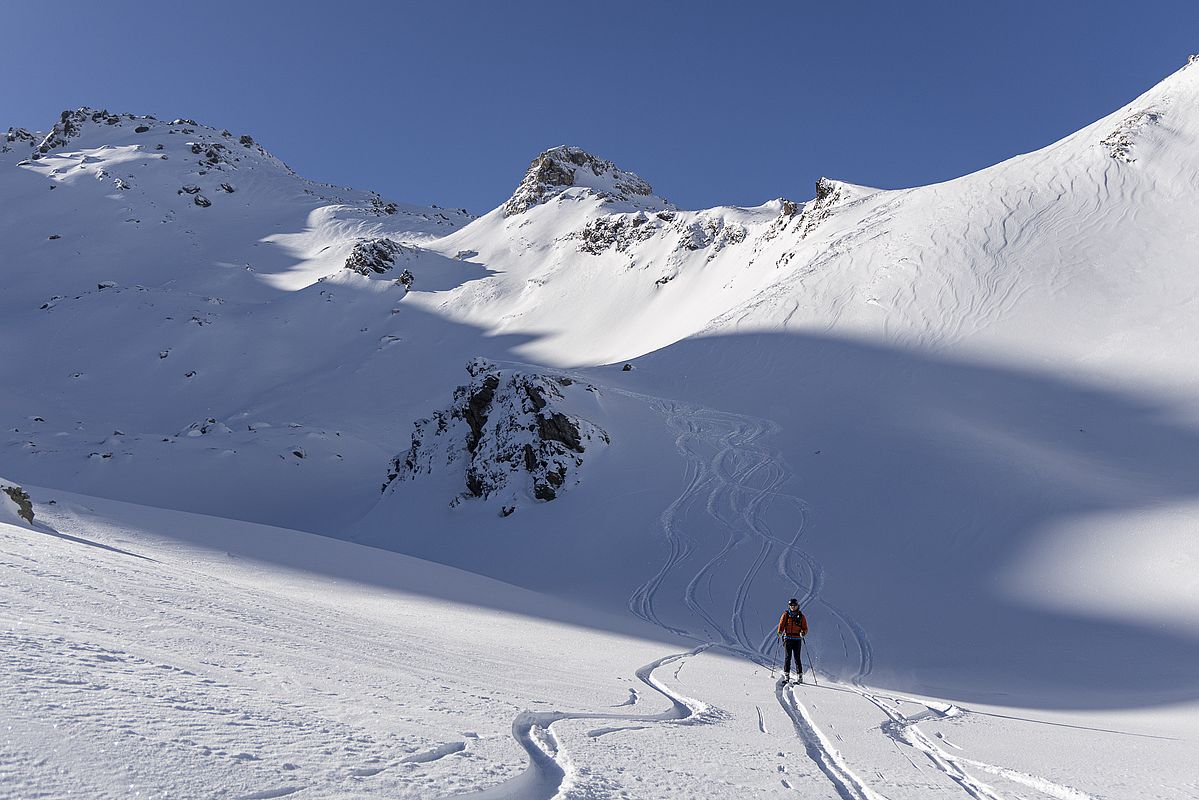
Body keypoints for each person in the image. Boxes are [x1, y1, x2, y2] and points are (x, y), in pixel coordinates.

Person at [777, 598, 808, 682]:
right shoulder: (786, 615)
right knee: (788, 657)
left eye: (794, 605)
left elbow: (805, 628)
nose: (793, 607)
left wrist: (803, 633)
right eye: (791, 605)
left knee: (797, 658)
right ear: (789, 606)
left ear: (797, 606)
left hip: (797, 639)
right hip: (787, 638)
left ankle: (800, 676)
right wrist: (779, 632)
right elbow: (781, 624)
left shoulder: (801, 616)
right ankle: (787, 675)